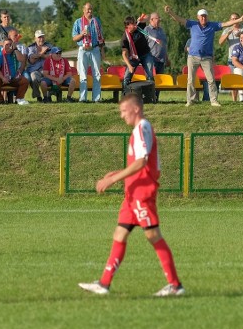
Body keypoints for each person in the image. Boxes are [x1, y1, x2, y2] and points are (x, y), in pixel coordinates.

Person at [78, 93, 185, 297]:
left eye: (123, 111)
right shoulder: (138, 129)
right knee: (119, 234)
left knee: (153, 235)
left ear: (136, 109)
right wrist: (117, 173)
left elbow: (142, 162)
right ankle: (104, 283)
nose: (121, 116)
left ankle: (175, 285)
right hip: (132, 193)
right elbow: (139, 163)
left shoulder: (142, 127)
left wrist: (112, 180)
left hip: (142, 192)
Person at [163, 6, 243, 107]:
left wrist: (239, 20)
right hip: (193, 57)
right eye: (201, 16)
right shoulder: (192, 24)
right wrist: (170, 12)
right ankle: (190, 100)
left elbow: (225, 24)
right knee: (191, 80)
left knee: (211, 79)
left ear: (207, 17)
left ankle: (213, 100)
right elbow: (179, 19)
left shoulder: (212, 25)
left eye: (205, 16)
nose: (203, 18)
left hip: (206, 57)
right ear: (198, 17)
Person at [71, 2, 105, 103]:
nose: (89, 11)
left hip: (95, 49)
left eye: (91, 9)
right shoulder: (78, 22)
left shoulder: (96, 21)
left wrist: (102, 51)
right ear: (83, 10)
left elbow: (101, 38)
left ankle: (97, 98)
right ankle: (83, 98)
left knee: (97, 74)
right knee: (83, 75)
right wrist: (81, 34)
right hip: (83, 50)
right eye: (87, 9)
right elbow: (74, 38)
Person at [120, 14, 154, 88]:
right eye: (132, 23)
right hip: (134, 57)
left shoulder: (139, 27)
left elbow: (148, 17)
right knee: (126, 78)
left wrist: (142, 19)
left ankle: (150, 96)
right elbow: (124, 54)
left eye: (135, 22)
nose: (135, 25)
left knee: (150, 75)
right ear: (127, 26)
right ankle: (125, 95)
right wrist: (129, 66)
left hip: (145, 54)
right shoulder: (124, 38)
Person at [0, 37, 29, 105]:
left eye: (10, 44)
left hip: (14, 77)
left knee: (25, 81)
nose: (8, 46)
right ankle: (0, 100)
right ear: (3, 45)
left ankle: (19, 99)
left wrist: (15, 49)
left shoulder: (15, 53)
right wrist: (3, 78)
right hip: (2, 78)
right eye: (7, 44)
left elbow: (22, 59)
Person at [144, 13, 169, 102]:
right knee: (151, 80)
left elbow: (164, 45)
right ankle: (149, 98)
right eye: (157, 18)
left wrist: (167, 58)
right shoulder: (146, 30)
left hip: (161, 59)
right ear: (151, 20)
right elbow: (143, 45)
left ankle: (156, 98)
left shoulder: (161, 30)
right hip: (151, 59)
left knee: (159, 81)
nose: (159, 20)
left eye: (159, 18)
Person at [25, 30, 52, 99]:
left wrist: (37, 55)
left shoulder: (49, 45)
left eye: (42, 37)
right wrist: (42, 52)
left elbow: (51, 57)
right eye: (39, 37)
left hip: (47, 69)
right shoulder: (31, 47)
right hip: (34, 70)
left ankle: (48, 96)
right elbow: (31, 60)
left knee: (53, 75)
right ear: (35, 38)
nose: (41, 39)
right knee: (33, 76)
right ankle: (38, 96)